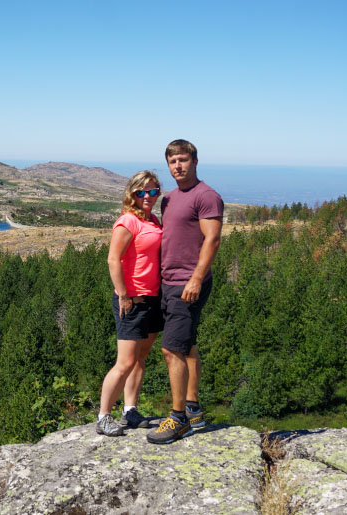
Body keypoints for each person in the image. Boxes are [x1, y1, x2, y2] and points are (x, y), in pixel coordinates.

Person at [147, 139, 223, 444]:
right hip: (169, 281)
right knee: (187, 344)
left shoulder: (207, 196)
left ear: (195, 161)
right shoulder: (169, 198)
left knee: (172, 349)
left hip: (187, 283)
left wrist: (195, 278)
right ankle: (193, 408)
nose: (177, 166)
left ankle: (177, 419)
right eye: (172, 161)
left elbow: (212, 240)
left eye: (183, 160)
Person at [96, 170, 164, 436]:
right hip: (132, 300)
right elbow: (113, 260)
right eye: (141, 192)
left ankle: (130, 410)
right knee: (124, 362)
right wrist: (123, 295)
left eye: (152, 191)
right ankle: (103, 416)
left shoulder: (153, 219)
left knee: (140, 359)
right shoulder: (128, 222)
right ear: (132, 194)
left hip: (152, 298)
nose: (147, 196)